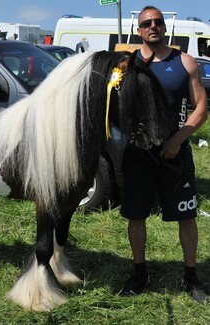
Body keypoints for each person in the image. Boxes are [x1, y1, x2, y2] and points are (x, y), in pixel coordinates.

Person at [119, 6, 208, 302]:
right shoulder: (128, 65)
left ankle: (191, 278)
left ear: (164, 27)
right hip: (138, 155)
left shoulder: (185, 62)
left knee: (187, 217)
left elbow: (201, 108)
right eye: (147, 23)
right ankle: (139, 272)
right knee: (136, 216)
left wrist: (179, 138)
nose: (153, 26)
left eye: (157, 22)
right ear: (139, 30)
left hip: (175, 155)